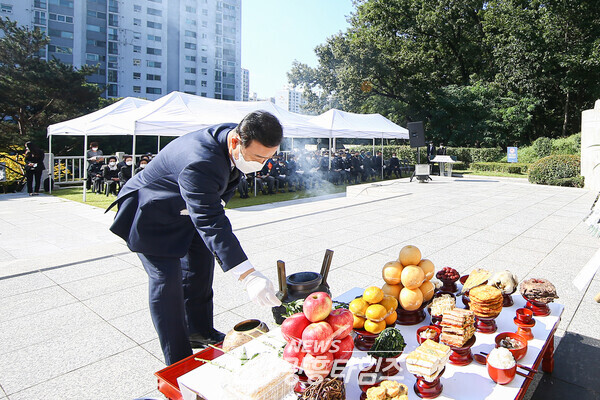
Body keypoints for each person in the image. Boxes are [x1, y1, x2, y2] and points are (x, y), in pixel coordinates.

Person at [107, 111, 283, 365]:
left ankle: (199, 330)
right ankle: (178, 359)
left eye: (269, 157)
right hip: (151, 213)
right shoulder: (200, 160)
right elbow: (211, 220)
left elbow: (213, 203)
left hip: (187, 210)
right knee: (166, 282)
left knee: (200, 267)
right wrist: (248, 275)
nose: (262, 164)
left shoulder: (232, 137)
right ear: (236, 142)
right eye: (257, 157)